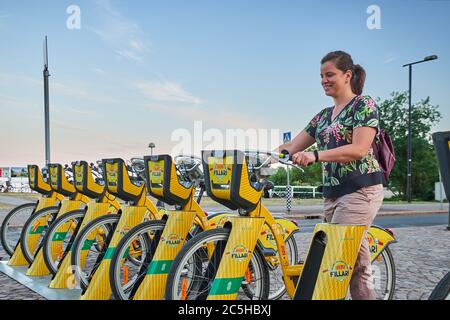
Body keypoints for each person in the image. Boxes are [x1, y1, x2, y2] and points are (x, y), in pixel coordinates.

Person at [278, 50, 384, 300]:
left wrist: (315, 156)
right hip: (333, 193)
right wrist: (260, 158)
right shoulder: (323, 116)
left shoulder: (363, 104)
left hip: (360, 189)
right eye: (321, 76)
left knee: (335, 255)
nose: (324, 80)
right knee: (355, 259)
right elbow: (291, 146)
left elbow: (359, 149)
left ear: (347, 75)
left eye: (330, 75)